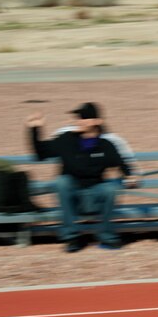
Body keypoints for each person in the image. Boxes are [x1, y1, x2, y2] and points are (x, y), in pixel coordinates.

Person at [27, 102, 137, 253]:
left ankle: (107, 237)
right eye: (78, 118)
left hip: (94, 196)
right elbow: (41, 153)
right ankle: (72, 238)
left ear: (98, 121)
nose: (79, 121)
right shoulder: (66, 139)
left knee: (111, 188)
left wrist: (130, 175)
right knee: (62, 181)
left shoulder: (106, 144)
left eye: (84, 118)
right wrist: (34, 128)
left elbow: (121, 163)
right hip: (73, 196)